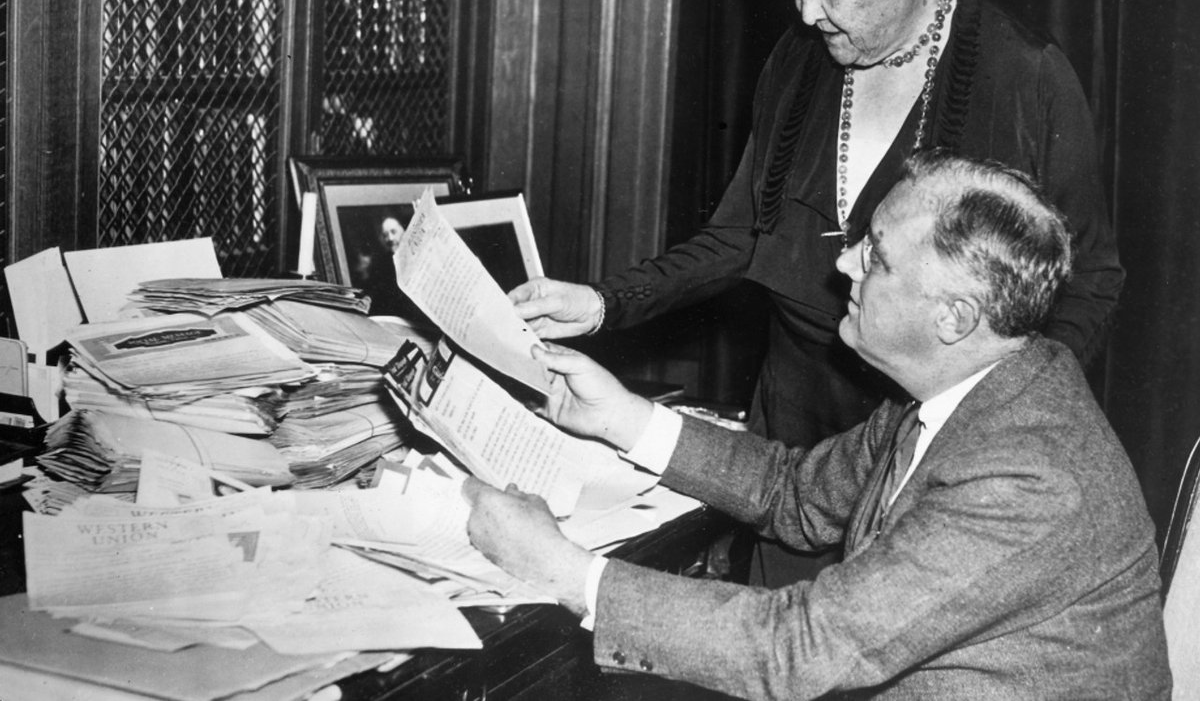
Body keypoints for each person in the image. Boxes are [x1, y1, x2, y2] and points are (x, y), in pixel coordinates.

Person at [509, 0, 1122, 464]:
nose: (804, 13)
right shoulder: (800, 58)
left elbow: (1091, 280)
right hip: (790, 428)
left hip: (937, 450)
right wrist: (604, 303)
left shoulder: (1027, 75)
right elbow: (739, 236)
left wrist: (1003, 417)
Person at [466, 152, 1169, 699]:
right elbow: (798, 495)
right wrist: (623, 417)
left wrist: (561, 569)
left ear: (953, 318)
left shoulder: (1026, 477)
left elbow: (799, 648)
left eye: (877, 257)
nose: (842, 262)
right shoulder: (967, 386)